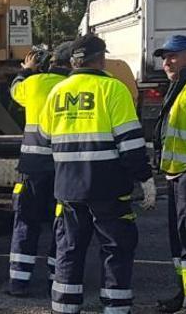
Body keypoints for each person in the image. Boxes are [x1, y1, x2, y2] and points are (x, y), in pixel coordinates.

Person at [39, 34, 156, 314]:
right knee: (116, 248)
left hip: (68, 186)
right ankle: (115, 309)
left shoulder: (57, 92)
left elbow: (45, 136)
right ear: (101, 59)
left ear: (74, 61)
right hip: (107, 187)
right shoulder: (112, 89)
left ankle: (65, 308)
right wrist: (145, 178)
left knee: (69, 249)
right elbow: (129, 142)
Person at [6, 42, 73, 297]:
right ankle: (57, 279)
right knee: (62, 222)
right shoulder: (71, 87)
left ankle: (18, 281)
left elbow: (14, 91)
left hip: (33, 167)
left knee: (25, 221)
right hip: (64, 167)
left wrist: (26, 70)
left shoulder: (33, 84)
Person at [153, 35, 186, 314]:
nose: (166, 61)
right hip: (177, 174)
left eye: (174, 55)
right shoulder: (177, 87)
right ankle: (184, 293)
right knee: (179, 240)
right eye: (165, 56)